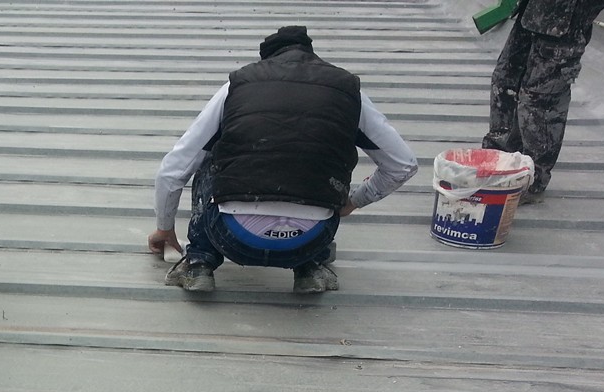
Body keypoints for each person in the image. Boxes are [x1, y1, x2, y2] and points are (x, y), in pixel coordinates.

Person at [149, 26, 418, 295]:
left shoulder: (238, 85)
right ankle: (310, 267)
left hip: (232, 237)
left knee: (209, 153)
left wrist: (165, 229)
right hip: (309, 241)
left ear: (266, 60)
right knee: (321, 158)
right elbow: (403, 165)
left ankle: (199, 262)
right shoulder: (347, 90)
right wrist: (355, 200)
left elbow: (174, 170)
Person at [481, 0, 604, 202]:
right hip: (534, 12)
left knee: (540, 99)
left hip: (565, 18)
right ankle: (501, 160)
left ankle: (531, 179)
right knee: (506, 80)